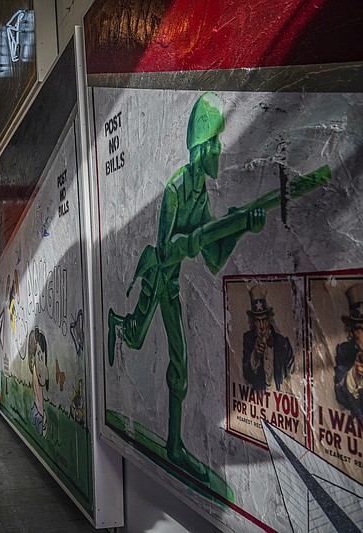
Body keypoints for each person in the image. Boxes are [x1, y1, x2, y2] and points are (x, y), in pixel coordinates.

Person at [106, 92, 267, 480]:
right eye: (214, 145)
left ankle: (174, 446)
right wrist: (199, 238)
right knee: (137, 338)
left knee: (179, 365)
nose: (218, 152)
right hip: (157, 280)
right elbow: (166, 249)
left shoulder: (201, 194)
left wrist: (240, 226)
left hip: (171, 285)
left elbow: (211, 258)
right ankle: (116, 321)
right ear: (200, 148)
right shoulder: (177, 189)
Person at [241, 285, 294, 391]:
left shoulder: (282, 342)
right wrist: (255, 355)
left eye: (264, 320)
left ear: (269, 320)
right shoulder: (249, 339)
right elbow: (246, 374)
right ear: (253, 322)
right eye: (257, 321)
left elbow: (291, 372)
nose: (261, 326)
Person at [335, 283, 363, 419]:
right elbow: (340, 395)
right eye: (359, 329)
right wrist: (354, 374)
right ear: (351, 332)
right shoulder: (345, 351)